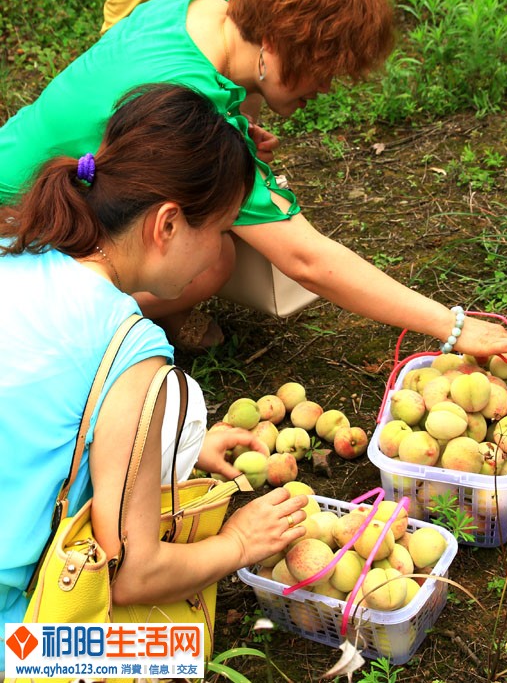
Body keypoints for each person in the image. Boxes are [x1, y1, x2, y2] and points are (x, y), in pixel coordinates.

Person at [0, 0, 507, 363]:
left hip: (28, 159)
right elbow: (308, 259)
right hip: (23, 215)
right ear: (277, 44)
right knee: (209, 264)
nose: (326, 89)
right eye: (324, 69)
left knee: (215, 252)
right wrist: (453, 328)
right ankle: (70, 331)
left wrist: (239, 128)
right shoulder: (190, 98)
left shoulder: (210, 8)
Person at [0, 82, 310, 674]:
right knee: (174, 649)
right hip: (13, 622)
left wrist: (177, 448)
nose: (220, 250)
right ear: (167, 224)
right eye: (220, 231)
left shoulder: (15, 249)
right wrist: (239, 544)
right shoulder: (131, 349)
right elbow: (130, 574)